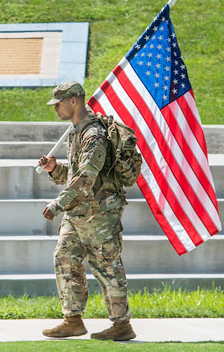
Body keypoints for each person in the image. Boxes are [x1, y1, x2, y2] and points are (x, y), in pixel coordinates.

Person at [38, 81, 136, 341]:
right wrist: (53, 170)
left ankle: (121, 324)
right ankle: (72, 320)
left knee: (106, 265)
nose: (55, 108)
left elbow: (86, 178)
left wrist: (58, 204)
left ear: (74, 101)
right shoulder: (75, 131)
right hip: (78, 211)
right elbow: (72, 175)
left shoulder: (93, 134)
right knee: (64, 256)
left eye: (58, 103)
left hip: (100, 214)